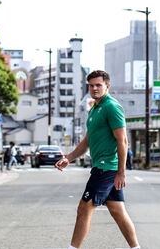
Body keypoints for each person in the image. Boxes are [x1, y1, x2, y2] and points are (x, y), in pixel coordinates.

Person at [55, 70, 140, 249]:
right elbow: (87, 141)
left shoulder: (111, 106)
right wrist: (68, 158)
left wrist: (121, 172)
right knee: (118, 211)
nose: (94, 88)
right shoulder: (95, 108)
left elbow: (122, 140)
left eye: (98, 85)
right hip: (103, 167)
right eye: (91, 85)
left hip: (106, 168)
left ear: (107, 86)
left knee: (83, 209)